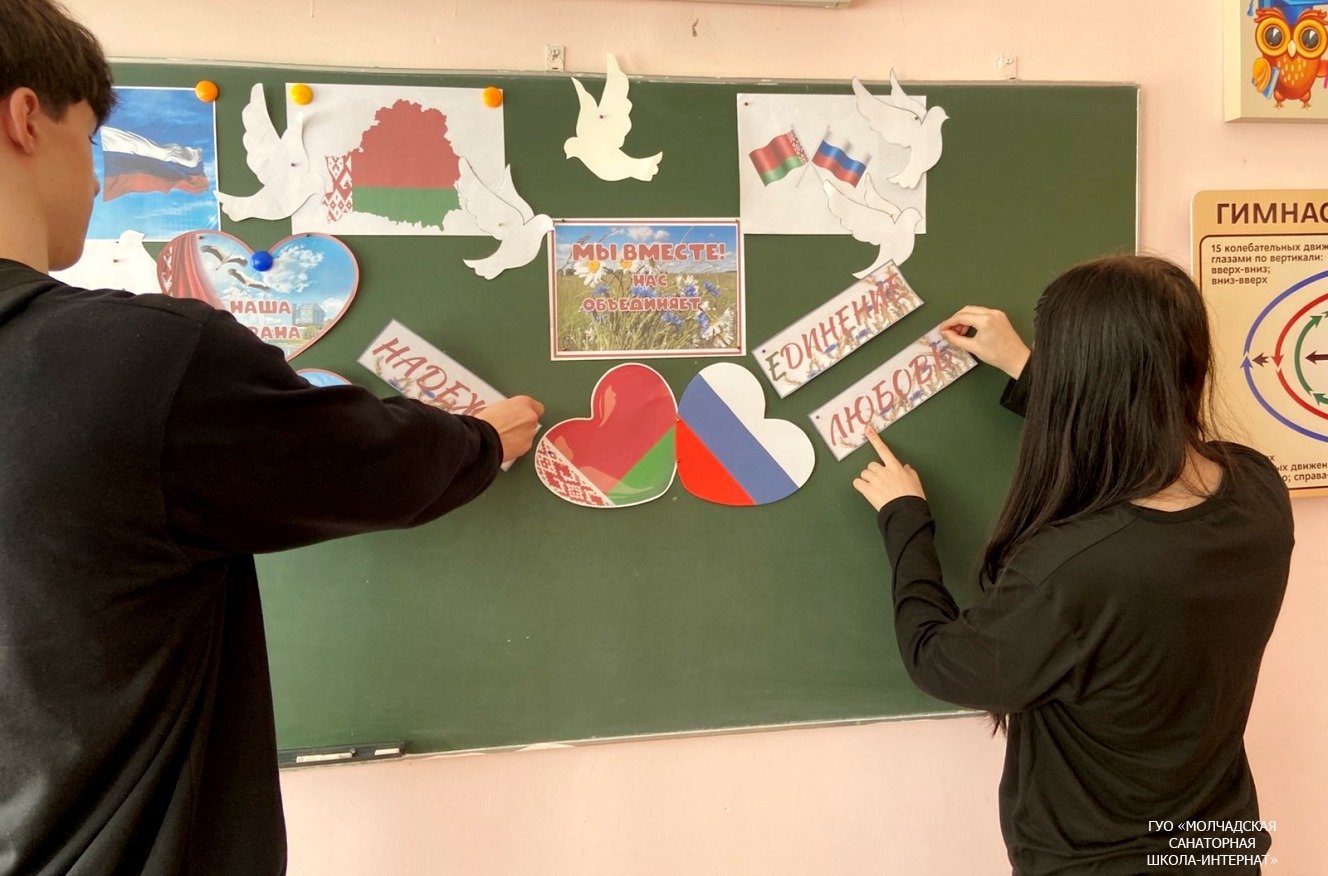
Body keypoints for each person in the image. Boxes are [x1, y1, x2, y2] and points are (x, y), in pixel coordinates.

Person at [0, 2, 543, 872]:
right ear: (26, 118)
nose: (97, 183)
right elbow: (373, 463)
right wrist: (482, 439)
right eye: (90, 139)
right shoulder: (144, 361)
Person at [852, 255, 1293, 874]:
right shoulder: (1259, 490)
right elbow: (1131, 427)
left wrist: (904, 517)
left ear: (1083, 377)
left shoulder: (1072, 570)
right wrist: (1026, 366)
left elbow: (939, 660)